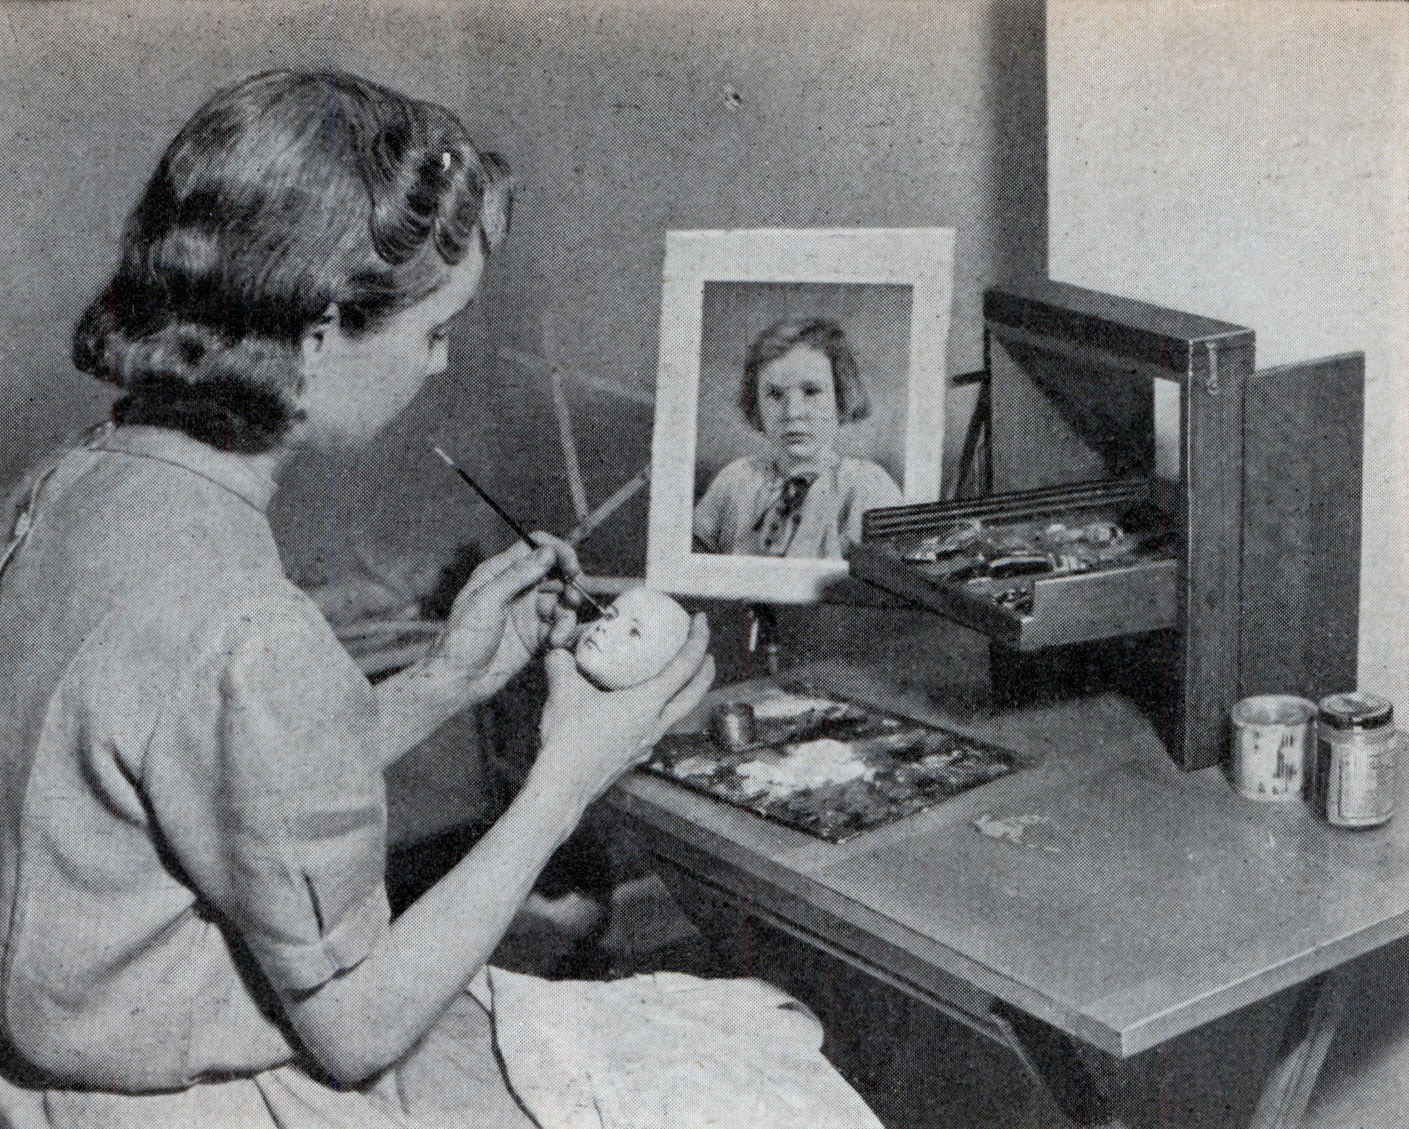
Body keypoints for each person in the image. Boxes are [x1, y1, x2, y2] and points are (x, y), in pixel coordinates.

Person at [0, 72, 882, 1129]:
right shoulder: (249, 624)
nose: (442, 358)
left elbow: (220, 776)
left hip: (63, 1073)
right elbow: (355, 1023)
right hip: (201, 1102)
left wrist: (440, 682)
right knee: (773, 1069)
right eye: (432, 328)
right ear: (319, 334)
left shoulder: (76, 484)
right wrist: (566, 773)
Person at [693, 317, 903, 560]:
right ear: (756, 402)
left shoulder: (867, 486)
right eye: (774, 394)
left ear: (841, 396)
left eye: (811, 391)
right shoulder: (735, 479)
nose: (792, 412)